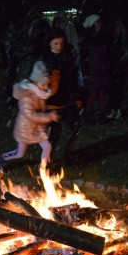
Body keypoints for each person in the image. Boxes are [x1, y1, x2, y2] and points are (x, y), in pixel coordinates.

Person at [0, 61, 59, 174]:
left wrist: (54, 79)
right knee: (20, 153)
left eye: (46, 85)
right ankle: (1, 158)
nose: (45, 88)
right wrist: (49, 116)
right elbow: (31, 115)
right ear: (34, 83)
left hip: (37, 127)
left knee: (47, 147)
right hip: (26, 128)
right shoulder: (27, 98)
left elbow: (50, 91)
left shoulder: (40, 92)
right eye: (43, 85)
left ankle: (43, 169)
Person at [40, 27, 82, 160]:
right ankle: (48, 160)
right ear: (49, 43)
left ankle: (68, 156)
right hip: (51, 102)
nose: (59, 47)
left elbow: (71, 78)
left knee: (75, 126)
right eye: (55, 44)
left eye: (61, 44)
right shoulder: (44, 60)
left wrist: (77, 95)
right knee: (55, 132)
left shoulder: (67, 56)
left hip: (66, 99)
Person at [79, 14, 111, 123]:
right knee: (92, 94)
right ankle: (89, 115)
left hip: (100, 70)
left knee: (101, 93)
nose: (99, 24)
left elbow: (105, 55)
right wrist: (85, 72)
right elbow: (83, 57)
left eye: (99, 22)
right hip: (92, 71)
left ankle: (101, 115)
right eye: (96, 22)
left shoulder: (102, 37)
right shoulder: (88, 39)